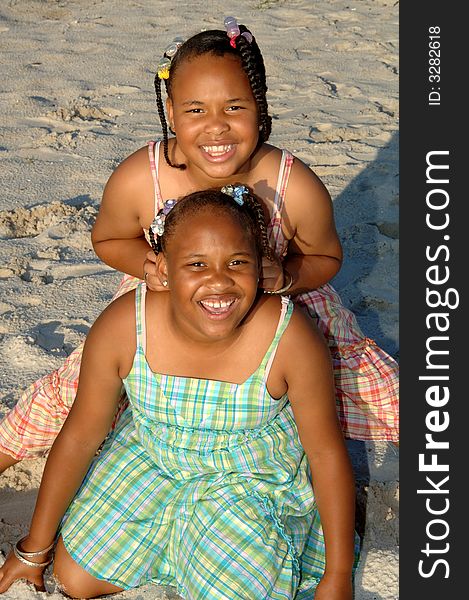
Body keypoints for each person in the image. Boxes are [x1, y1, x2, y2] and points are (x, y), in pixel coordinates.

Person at [0, 17, 398, 474]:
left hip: (277, 293)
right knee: (80, 381)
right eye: (195, 111)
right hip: (171, 291)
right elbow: (108, 239)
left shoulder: (293, 185)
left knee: (355, 375)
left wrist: (289, 276)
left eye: (234, 108)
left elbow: (326, 257)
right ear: (171, 112)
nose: (216, 129)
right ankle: (8, 450)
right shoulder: (142, 177)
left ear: (260, 107)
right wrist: (146, 264)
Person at [0, 187, 357, 599]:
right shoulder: (124, 325)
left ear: (261, 266)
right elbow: (80, 437)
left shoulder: (290, 337)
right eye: (197, 264)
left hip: (243, 482)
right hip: (154, 460)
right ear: (164, 269)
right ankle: (174, 552)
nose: (219, 281)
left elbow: (327, 454)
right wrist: (34, 549)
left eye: (237, 262)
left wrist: (338, 574)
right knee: (77, 579)